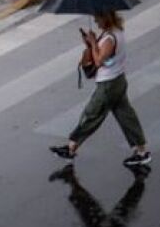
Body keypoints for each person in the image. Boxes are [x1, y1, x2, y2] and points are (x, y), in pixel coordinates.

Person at [50, 10, 151, 167]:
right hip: (118, 80)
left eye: (98, 18)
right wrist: (91, 43)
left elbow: (98, 62)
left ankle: (71, 148)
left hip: (108, 84)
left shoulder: (110, 38)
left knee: (91, 114)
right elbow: (103, 54)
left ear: (106, 17)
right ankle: (142, 152)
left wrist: (92, 42)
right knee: (126, 116)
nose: (96, 21)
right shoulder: (115, 32)